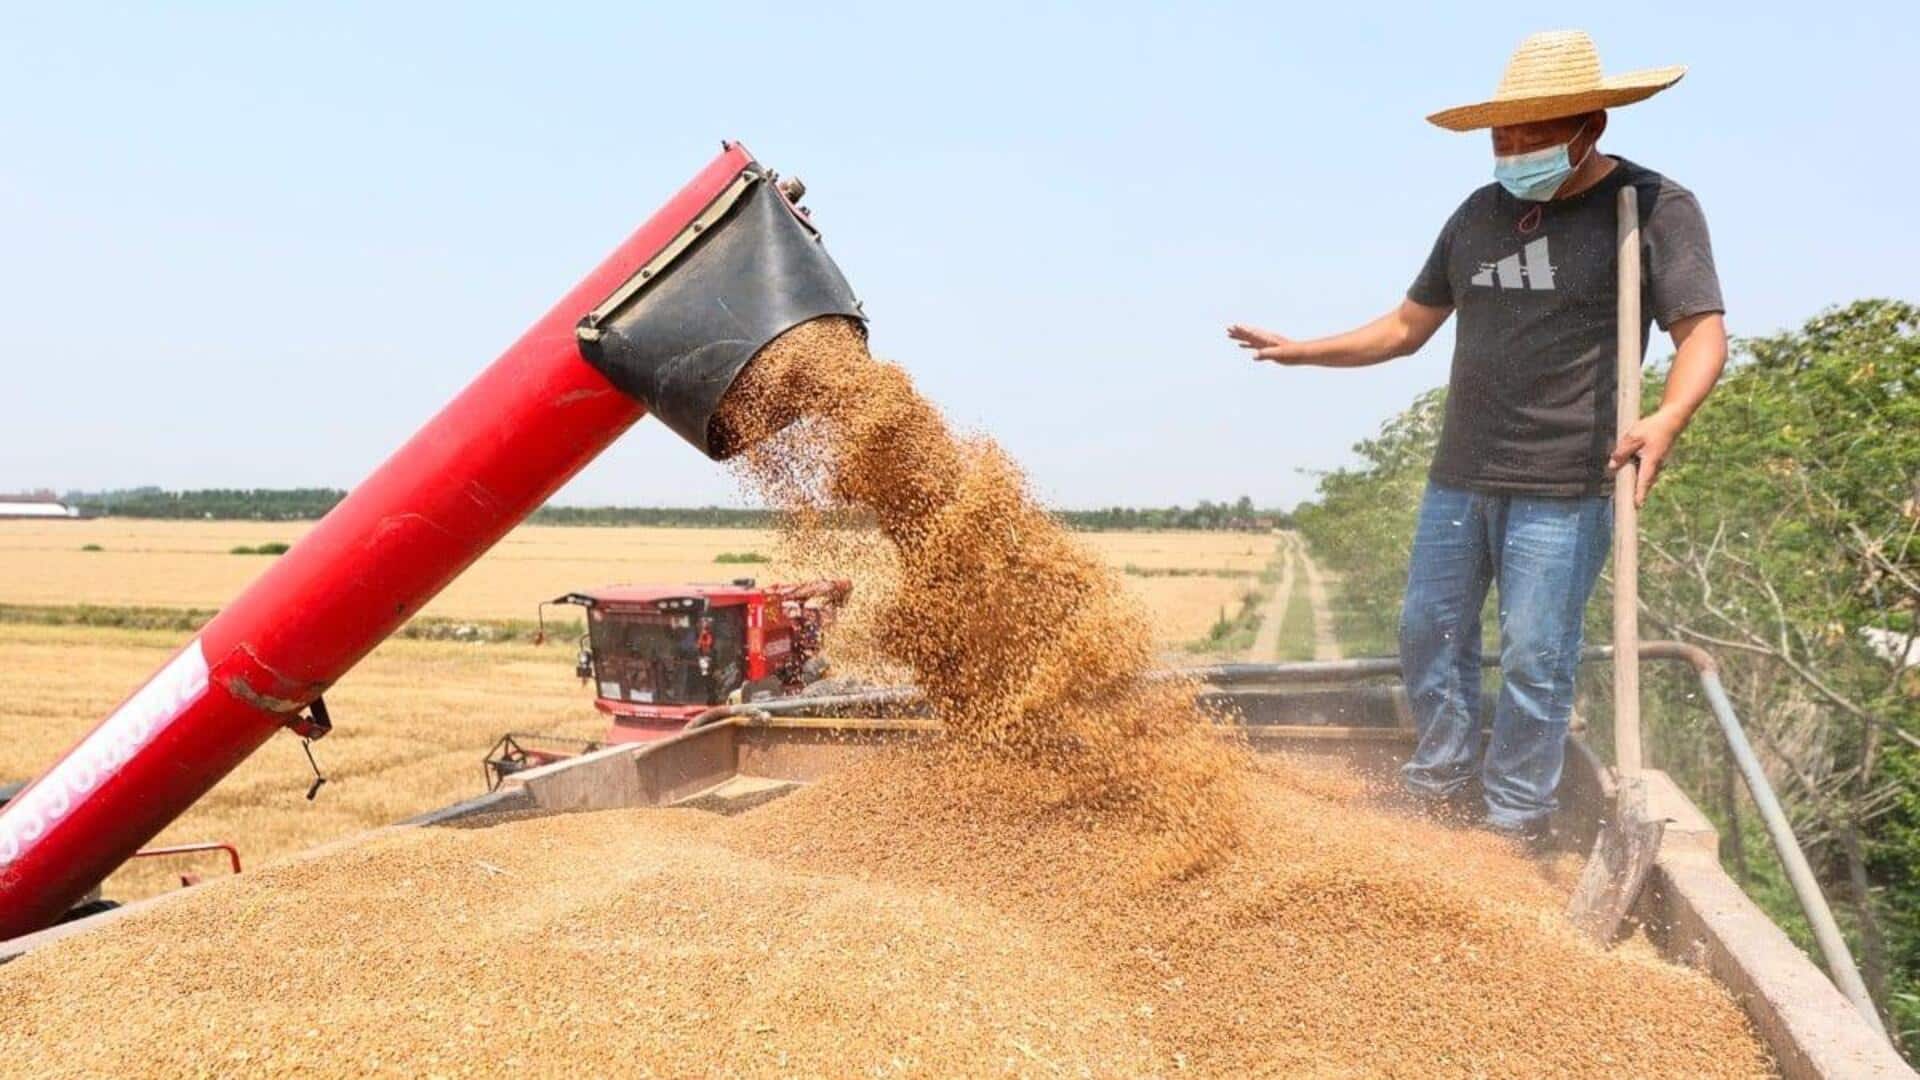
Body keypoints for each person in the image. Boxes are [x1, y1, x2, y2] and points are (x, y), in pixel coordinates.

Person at [1228, 30, 1727, 843]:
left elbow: (1701, 333)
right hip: (1461, 472)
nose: (1515, 148)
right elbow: (1402, 328)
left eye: (1535, 132)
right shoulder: (1479, 215)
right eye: (1504, 133)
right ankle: (1439, 783)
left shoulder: (1650, 207)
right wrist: (1301, 351)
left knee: (1536, 654)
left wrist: (1667, 418)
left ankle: (1514, 818)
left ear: (1590, 125)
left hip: (1568, 479)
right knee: (1431, 635)